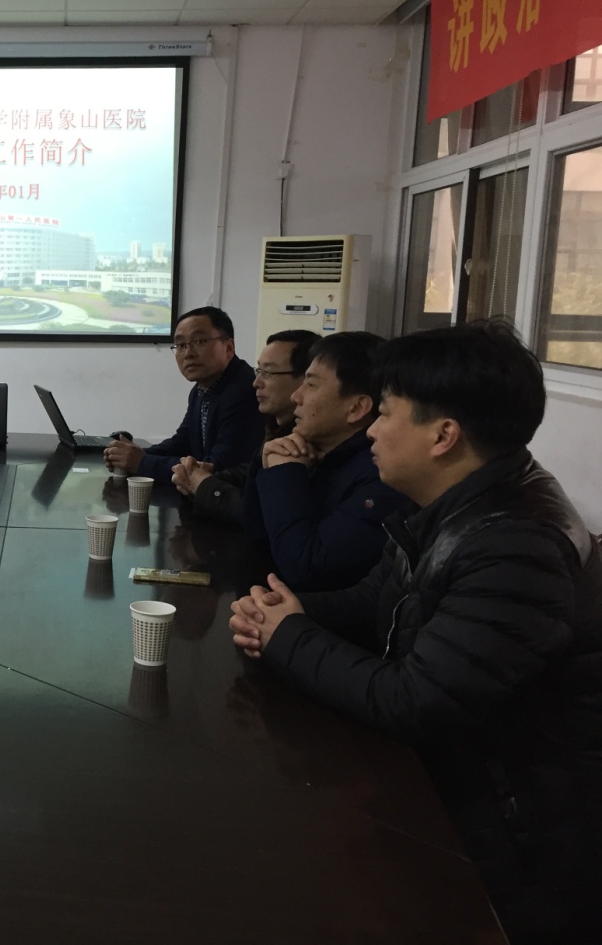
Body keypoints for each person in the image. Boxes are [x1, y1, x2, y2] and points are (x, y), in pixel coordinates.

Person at [229, 321, 602, 943]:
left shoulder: (517, 543)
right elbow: (374, 600)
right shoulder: (456, 499)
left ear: (443, 435)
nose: (372, 430)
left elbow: (417, 701)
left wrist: (286, 635)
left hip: (519, 834)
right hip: (462, 787)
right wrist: (281, 612)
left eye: (386, 413)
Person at [240, 331, 404, 590]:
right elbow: (256, 534)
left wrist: (284, 474)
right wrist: (265, 462)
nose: (296, 396)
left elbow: (305, 568)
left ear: (356, 408)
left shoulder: (380, 474)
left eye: (311, 385)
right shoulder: (312, 450)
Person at [173, 329, 320, 525]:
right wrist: (205, 474)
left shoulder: (311, 440)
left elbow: (260, 514)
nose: (256, 383)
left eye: (269, 373)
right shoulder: (276, 427)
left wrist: (204, 485)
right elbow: (252, 471)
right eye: (258, 371)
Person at [104, 306, 259, 485]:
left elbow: (218, 467)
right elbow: (183, 442)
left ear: (229, 348)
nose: (188, 354)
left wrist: (142, 462)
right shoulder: (201, 389)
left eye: (200, 341)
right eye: (181, 345)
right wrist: (132, 455)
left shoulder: (244, 390)